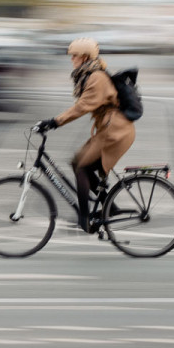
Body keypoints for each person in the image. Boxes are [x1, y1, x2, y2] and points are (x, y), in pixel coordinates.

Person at [36, 38, 136, 231]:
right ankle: (111, 207)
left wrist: (54, 122)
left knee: (82, 167)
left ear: (84, 57)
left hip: (115, 132)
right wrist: (54, 122)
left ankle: (84, 219)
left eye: (74, 56)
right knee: (77, 163)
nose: (71, 59)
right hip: (109, 129)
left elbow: (82, 107)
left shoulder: (96, 77)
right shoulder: (89, 74)